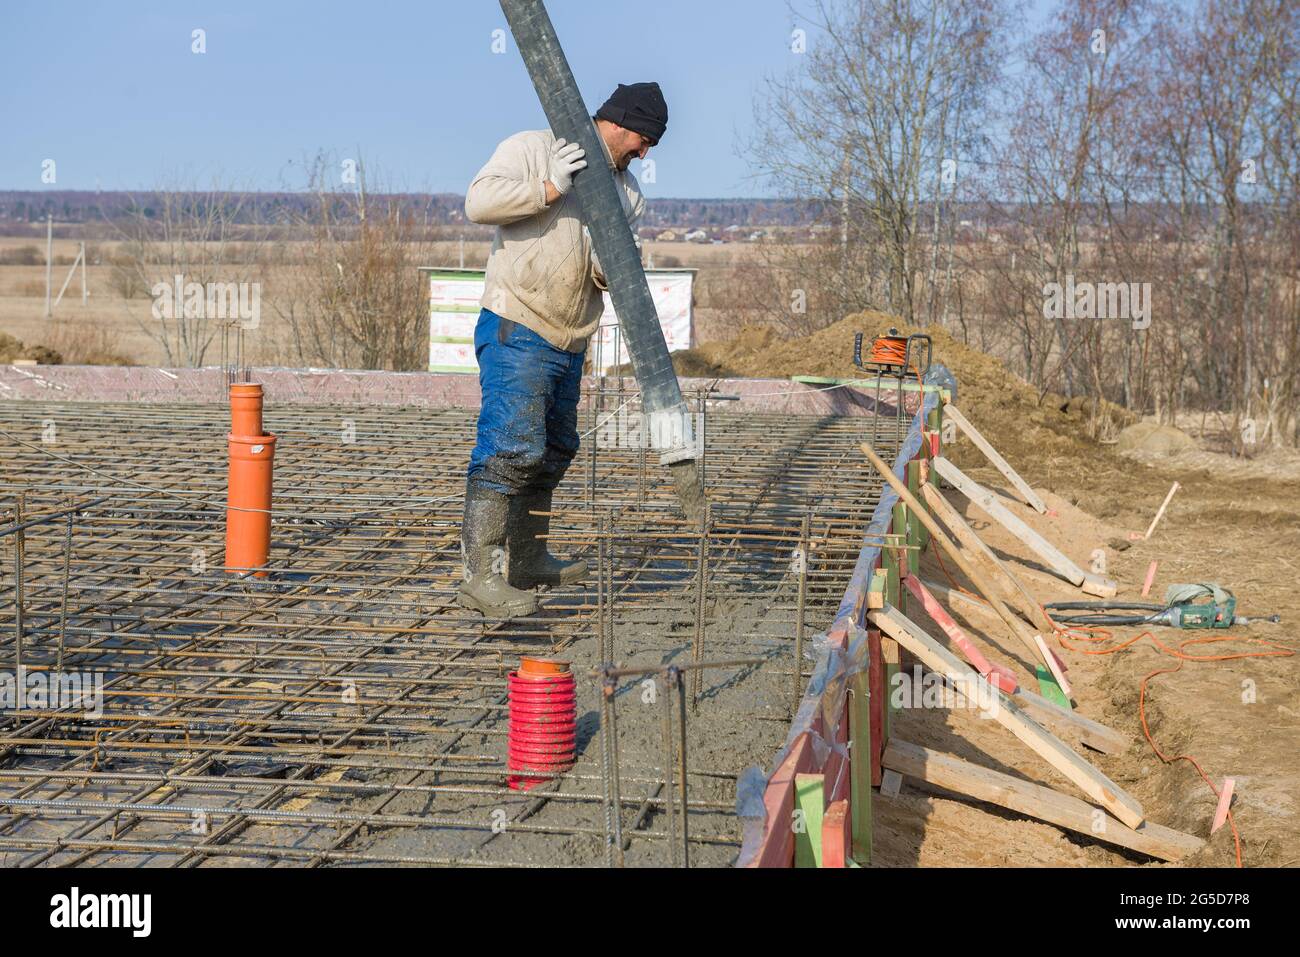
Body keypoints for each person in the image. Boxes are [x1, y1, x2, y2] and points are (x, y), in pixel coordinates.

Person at [459, 81, 669, 617]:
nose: (644, 153)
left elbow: (602, 273)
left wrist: (616, 261)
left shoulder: (628, 194)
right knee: (511, 448)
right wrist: (548, 186)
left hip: (570, 337)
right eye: (643, 140)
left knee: (553, 450)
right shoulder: (533, 148)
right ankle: (480, 577)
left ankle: (527, 560)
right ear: (619, 123)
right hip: (516, 324)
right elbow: (479, 202)